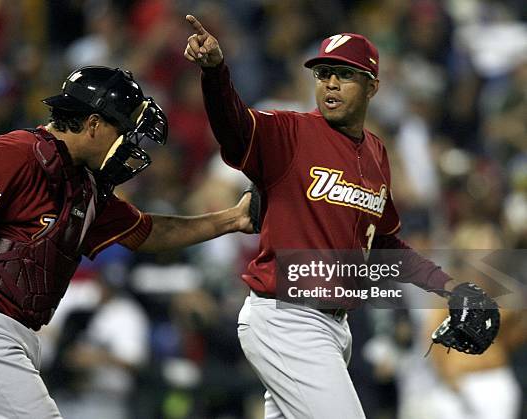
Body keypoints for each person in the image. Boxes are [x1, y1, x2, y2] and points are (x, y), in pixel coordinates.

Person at [0, 65, 253, 418]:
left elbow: (149, 232)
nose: (128, 145)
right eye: (122, 131)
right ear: (93, 124)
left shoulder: (85, 186)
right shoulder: (19, 152)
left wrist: (232, 219)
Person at [183, 15, 473, 419]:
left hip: (335, 328)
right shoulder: (289, 132)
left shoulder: (376, 153)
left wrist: (449, 285)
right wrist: (215, 73)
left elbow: (385, 244)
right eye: (324, 73)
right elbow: (233, 126)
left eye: (344, 75)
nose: (330, 83)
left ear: (373, 86)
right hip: (287, 319)